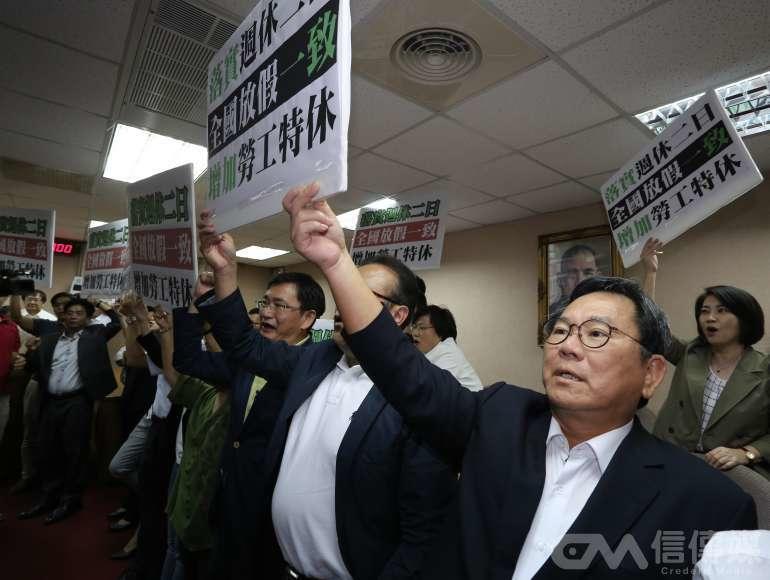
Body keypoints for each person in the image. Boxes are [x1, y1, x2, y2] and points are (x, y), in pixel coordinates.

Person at [281, 182, 757, 578]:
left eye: (596, 334)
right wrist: (336, 263)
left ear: (651, 374)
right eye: (560, 330)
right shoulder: (500, 417)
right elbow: (400, 368)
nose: (568, 346)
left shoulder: (708, 503)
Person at [196, 211, 456, 580]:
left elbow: (423, 534)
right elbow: (244, 344)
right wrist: (225, 272)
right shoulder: (314, 359)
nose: (341, 305)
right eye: (342, 291)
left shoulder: (419, 396)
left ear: (398, 315)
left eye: (360, 295)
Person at [173, 271, 324, 580]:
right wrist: (196, 304)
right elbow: (187, 360)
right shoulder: (245, 358)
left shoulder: (314, 368)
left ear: (308, 318)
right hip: (228, 498)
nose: (266, 313)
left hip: (271, 514)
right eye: (265, 302)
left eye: (280, 305)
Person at [641, 238, 769, 480]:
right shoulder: (691, 352)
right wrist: (651, 272)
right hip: (670, 460)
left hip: (725, 474)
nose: (710, 318)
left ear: (745, 319)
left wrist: (746, 453)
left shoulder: (764, 370)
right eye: (704, 311)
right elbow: (651, 329)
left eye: (722, 311)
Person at [17, 297, 121, 524]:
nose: (73, 316)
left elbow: (116, 323)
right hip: (50, 401)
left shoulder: (95, 337)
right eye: (70, 312)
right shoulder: (50, 339)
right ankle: (48, 497)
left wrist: (100, 303)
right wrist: (30, 353)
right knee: (47, 449)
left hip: (77, 402)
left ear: (87, 318)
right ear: (63, 316)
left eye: (79, 313)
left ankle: (70, 500)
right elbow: (35, 368)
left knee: (74, 452)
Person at [412, 304, 483, 391]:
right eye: (414, 327)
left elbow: (429, 389)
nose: (415, 333)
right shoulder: (430, 353)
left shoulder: (449, 355)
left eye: (422, 328)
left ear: (440, 332)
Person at [548, 244, 600, 316]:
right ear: (560, 280)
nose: (580, 281)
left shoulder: (607, 311)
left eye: (588, 273)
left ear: (598, 278)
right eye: (572, 273)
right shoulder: (549, 314)